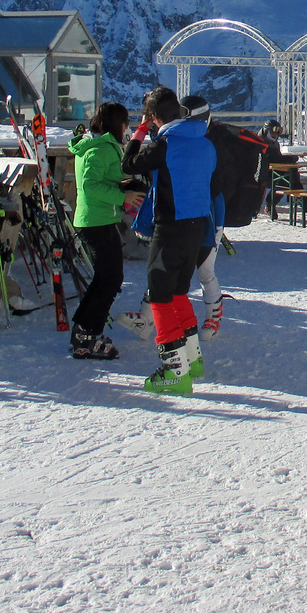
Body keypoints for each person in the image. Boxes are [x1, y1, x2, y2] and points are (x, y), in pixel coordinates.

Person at [122, 86, 218, 396]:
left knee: (160, 294)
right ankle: (192, 360)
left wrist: (139, 132)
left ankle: (174, 370)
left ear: (152, 117)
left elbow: (129, 164)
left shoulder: (164, 144)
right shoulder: (205, 142)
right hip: (197, 227)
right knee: (178, 292)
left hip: (170, 227)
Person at [67, 102, 136, 361]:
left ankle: (85, 331)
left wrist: (125, 186)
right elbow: (90, 185)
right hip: (96, 220)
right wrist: (123, 196)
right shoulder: (101, 149)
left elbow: (104, 179)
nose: (126, 127)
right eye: (125, 122)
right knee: (110, 278)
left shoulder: (95, 146)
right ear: (116, 123)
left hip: (96, 218)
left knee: (106, 277)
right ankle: (86, 334)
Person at [179, 95, 236, 341]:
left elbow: (220, 184)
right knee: (170, 267)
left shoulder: (213, 144)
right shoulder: (181, 141)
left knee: (204, 270)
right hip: (188, 211)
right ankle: (148, 316)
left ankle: (213, 314)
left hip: (210, 211)